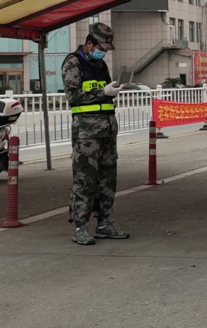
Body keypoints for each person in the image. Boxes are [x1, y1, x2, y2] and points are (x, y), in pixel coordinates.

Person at [61, 22, 129, 246]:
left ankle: (104, 223)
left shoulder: (100, 64)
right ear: (89, 43)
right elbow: (73, 95)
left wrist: (111, 91)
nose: (103, 52)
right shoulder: (73, 62)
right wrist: (103, 92)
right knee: (85, 180)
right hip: (86, 133)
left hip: (107, 130)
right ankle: (79, 226)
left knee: (107, 180)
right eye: (101, 48)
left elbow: (103, 93)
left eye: (106, 49)